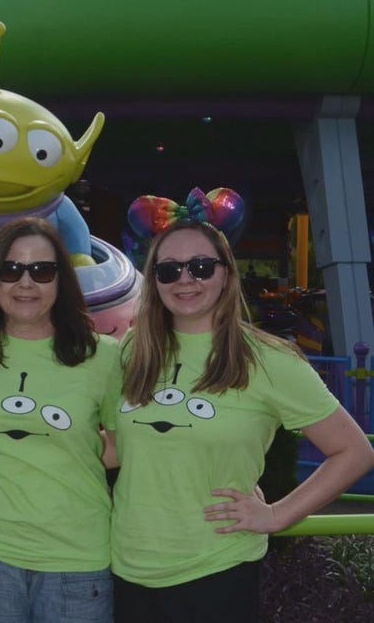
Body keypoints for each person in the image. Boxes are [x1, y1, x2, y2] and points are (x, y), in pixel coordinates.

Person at [105, 203, 374, 623]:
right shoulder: (132, 351)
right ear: (153, 280)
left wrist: (276, 514)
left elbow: (354, 451)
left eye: (200, 266)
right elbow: (121, 447)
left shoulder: (269, 359)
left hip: (217, 569)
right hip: (125, 566)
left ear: (226, 273)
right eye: (169, 269)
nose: (185, 279)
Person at [0, 216, 118, 622]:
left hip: (78, 559)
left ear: (61, 280)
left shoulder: (103, 356)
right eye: (11, 269)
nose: (26, 283)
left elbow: (134, 439)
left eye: (42, 270)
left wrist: (72, 460)